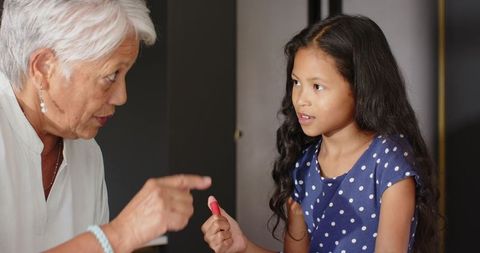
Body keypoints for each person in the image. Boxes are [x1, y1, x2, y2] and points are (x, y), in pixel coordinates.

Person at [202, 14, 438, 253]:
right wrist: (242, 247)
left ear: (361, 87)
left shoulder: (389, 163)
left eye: (317, 86)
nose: (301, 99)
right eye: (296, 82)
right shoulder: (303, 166)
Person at [0, 0, 211, 252]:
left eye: (125, 75)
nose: (122, 97)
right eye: (111, 76)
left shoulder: (88, 155)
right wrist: (120, 234)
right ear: (44, 68)